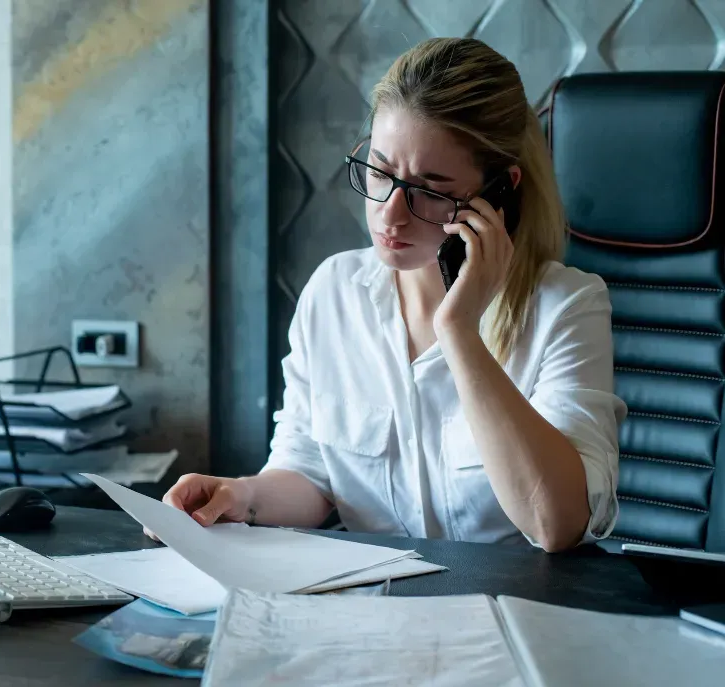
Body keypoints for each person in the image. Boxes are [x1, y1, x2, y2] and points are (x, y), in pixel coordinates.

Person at [156, 37, 626, 552]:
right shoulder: (335, 292)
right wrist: (237, 496)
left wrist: (459, 331)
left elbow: (555, 523)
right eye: (380, 172)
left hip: (512, 612)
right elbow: (312, 474)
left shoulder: (567, 307)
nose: (390, 213)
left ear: (500, 192)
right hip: (373, 612)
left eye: (430, 189)